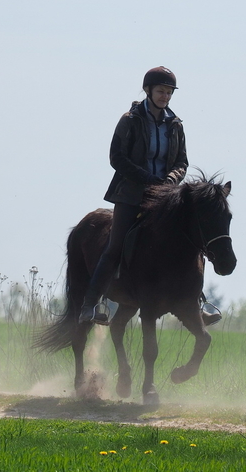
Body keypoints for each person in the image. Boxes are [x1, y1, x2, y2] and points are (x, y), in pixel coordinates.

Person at [79, 66, 221, 326]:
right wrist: (146, 178)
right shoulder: (130, 120)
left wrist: (171, 179)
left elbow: (182, 161)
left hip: (165, 195)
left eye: (168, 92)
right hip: (131, 193)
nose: (165, 96)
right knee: (116, 245)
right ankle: (91, 304)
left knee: (188, 242)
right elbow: (116, 157)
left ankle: (197, 302)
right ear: (148, 91)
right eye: (160, 91)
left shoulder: (175, 125)